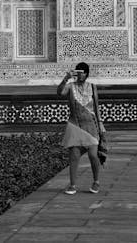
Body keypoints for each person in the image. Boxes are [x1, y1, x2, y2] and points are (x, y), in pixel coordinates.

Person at [57, 62, 104, 194]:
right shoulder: (70, 87)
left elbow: (96, 106)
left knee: (93, 155)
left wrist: (100, 124)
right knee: (74, 155)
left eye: (83, 72)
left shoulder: (93, 87)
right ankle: (72, 185)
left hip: (91, 125)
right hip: (76, 124)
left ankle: (96, 181)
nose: (81, 74)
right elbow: (60, 93)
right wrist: (66, 78)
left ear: (87, 74)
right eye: (78, 72)